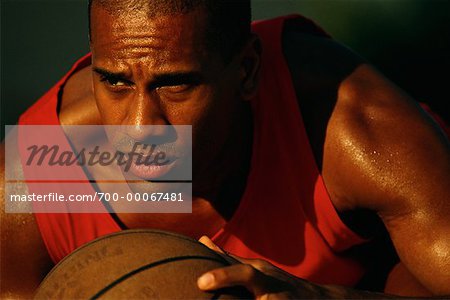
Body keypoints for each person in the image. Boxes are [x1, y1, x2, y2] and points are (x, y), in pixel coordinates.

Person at [1, 0, 449, 298]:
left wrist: (318, 296)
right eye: (114, 81)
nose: (138, 130)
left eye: (175, 83)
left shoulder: (352, 128)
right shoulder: (40, 172)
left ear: (248, 70)